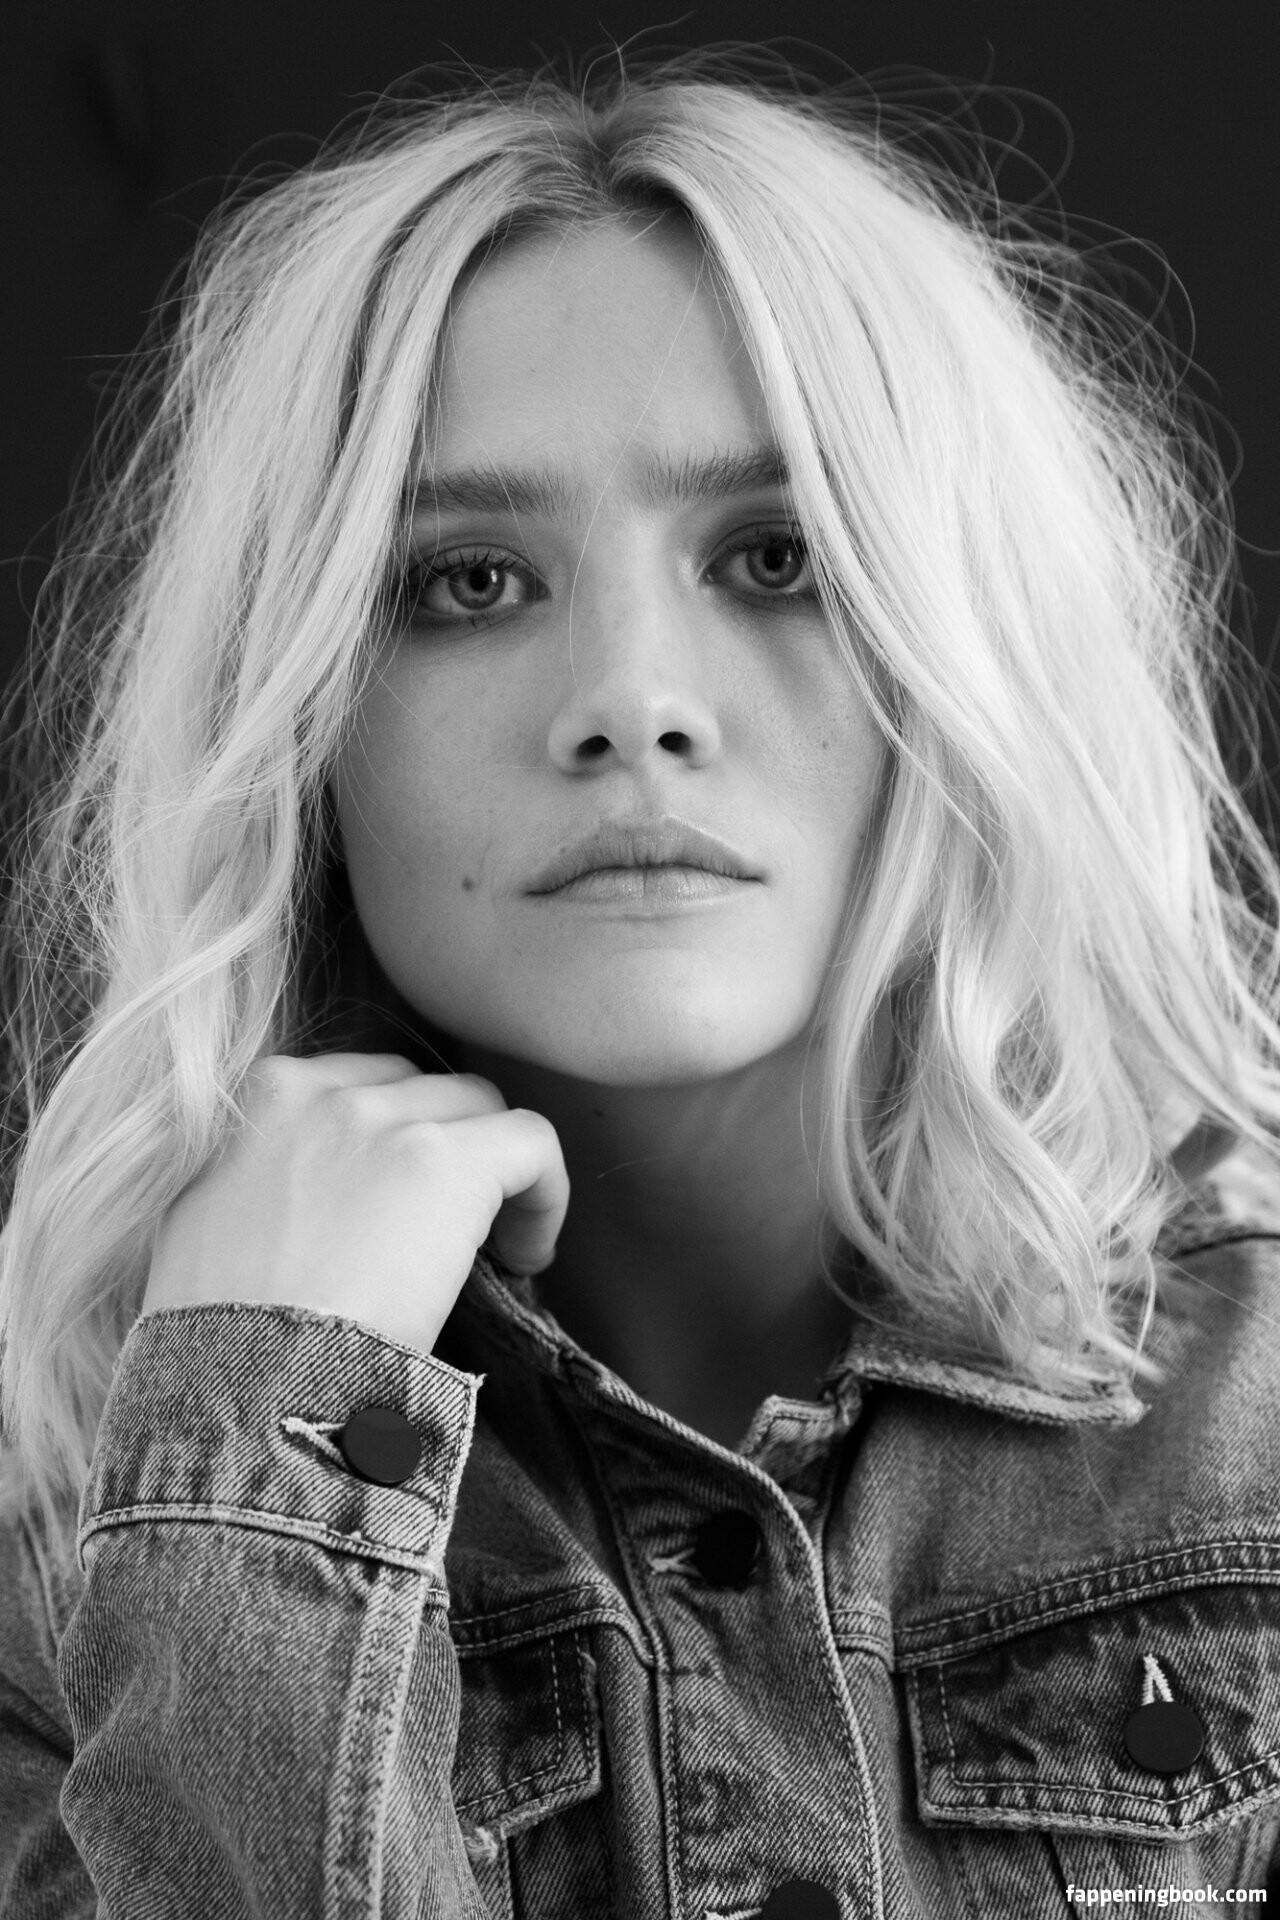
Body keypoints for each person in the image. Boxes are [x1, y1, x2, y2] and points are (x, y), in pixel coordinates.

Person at [1, 42, 1278, 1919]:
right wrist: (264, 1469)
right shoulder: (67, 1531)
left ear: (974, 645)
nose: (631, 701)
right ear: (295, 717)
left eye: (776, 555)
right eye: (465, 582)